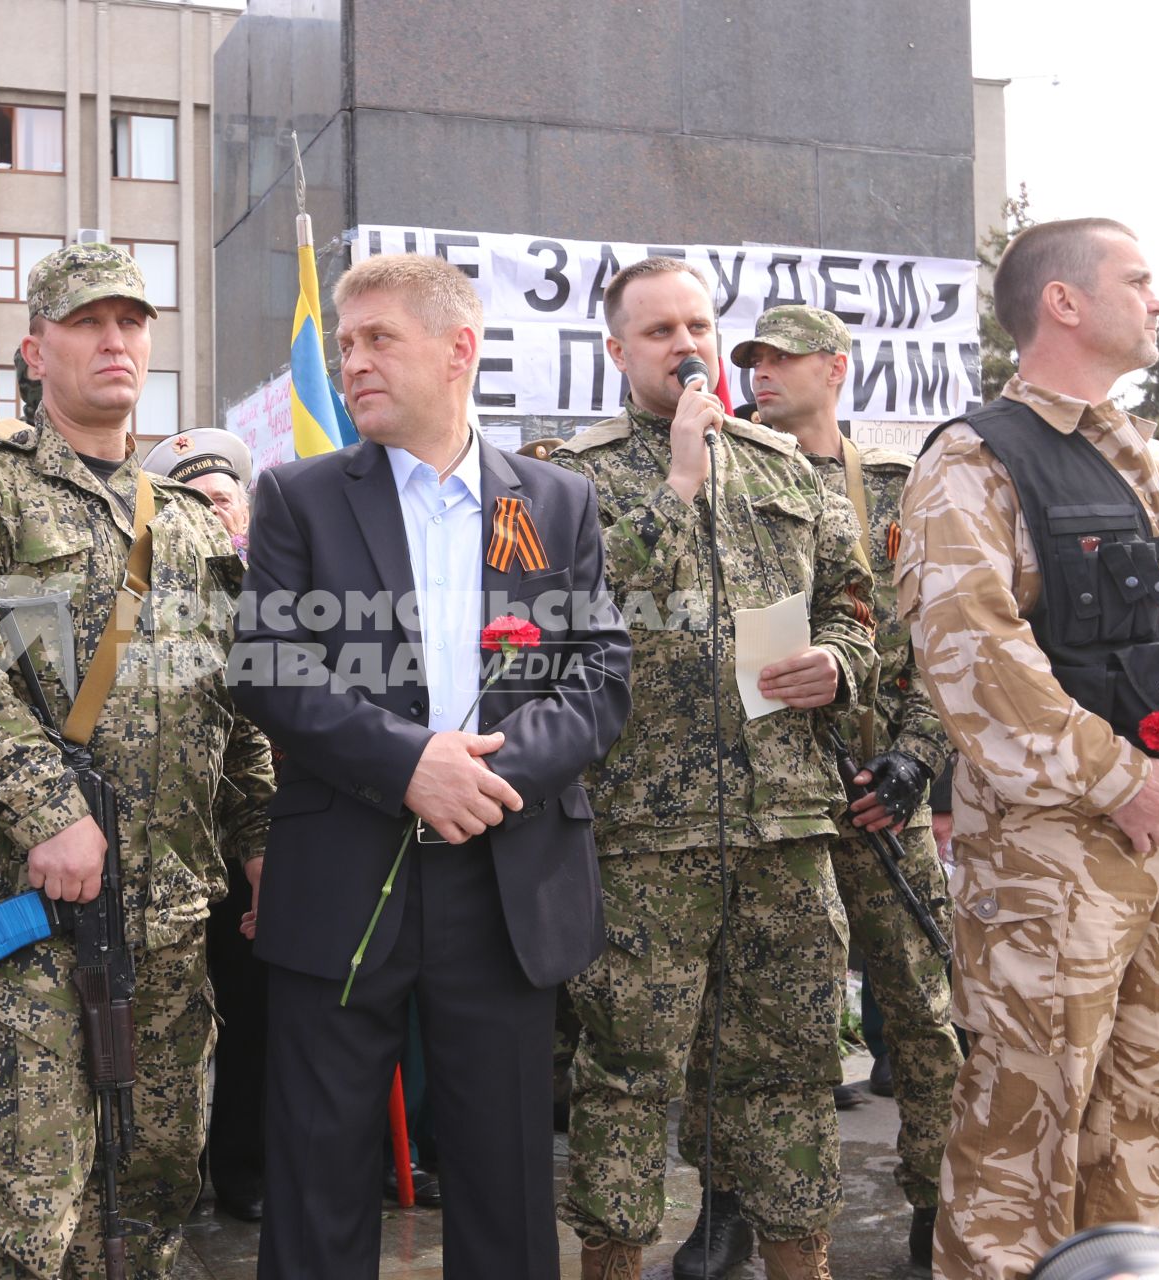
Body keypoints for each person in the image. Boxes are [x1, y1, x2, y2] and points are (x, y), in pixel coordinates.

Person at [228, 251, 632, 1280]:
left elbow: (601, 672)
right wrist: (410, 763)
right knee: (319, 1175)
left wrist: (490, 773)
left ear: (458, 349)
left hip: (505, 873)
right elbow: (269, 670)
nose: (354, 362)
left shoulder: (557, 500)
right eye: (345, 344)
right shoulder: (298, 498)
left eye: (377, 340)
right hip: (346, 873)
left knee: (505, 1184)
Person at [0, 242, 274, 1279]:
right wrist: (46, 806)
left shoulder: (192, 526)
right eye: (87, 322)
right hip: (24, 915)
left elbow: (237, 712)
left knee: (149, 1198)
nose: (115, 340)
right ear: (34, 347)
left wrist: (260, 843)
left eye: (132, 322)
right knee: (24, 1211)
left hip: (168, 923)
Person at [898, 218, 1159, 1280]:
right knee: (1024, 1138)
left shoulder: (1148, 459)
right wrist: (1120, 779)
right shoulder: (978, 458)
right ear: (1063, 301)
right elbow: (972, 654)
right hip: (1049, 863)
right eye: (1138, 279)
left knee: (1155, 1126)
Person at [550, 258, 876, 1280]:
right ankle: (611, 1262)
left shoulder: (786, 468)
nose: (684, 344)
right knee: (627, 1076)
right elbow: (562, 614)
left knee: (791, 1067)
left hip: (785, 823)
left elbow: (855, 604)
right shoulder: (565, 473)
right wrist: (679, 484)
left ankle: (799, 1260)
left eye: (697, 323)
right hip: (644, 833)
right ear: (615, 350)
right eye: (657, 331)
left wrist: (840, 662)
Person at [728, 305, 962, 1269]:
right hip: (773, 798)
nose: (764, 375)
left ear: (837, 367)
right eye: (754, 361)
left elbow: (948, 641)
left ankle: (934, 1206)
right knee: (754, 1025)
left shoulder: (898, 490)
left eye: (784, 359)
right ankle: (734, 1209)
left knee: (922, 1015)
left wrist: (913, 763)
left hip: (878, 796)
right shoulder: (725, 480)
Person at [139, 426, 267, 1223]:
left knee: (253, 1013)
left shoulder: (278, 585)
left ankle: (244, 1171)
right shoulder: (152, 587)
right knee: (171, 1022)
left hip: (256, 837)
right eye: (194, 497)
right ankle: (164, 1173)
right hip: (175, 845)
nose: (213, 508)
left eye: (224, 496)